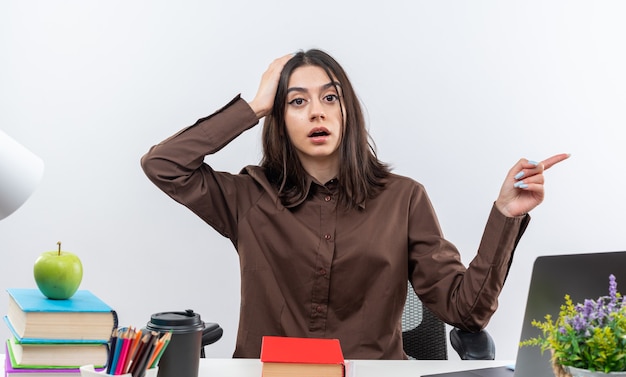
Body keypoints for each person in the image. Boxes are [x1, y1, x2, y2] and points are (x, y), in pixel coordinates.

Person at [141, 49, 569, 360]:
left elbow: (467, 312)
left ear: (348, 112)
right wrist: (253, 106)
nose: (316, 113)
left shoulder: (403, 198)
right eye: (296, 101)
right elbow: (163, 165)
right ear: (279, 117)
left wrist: (506, 216)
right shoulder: (248, 196)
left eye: (330, 98)